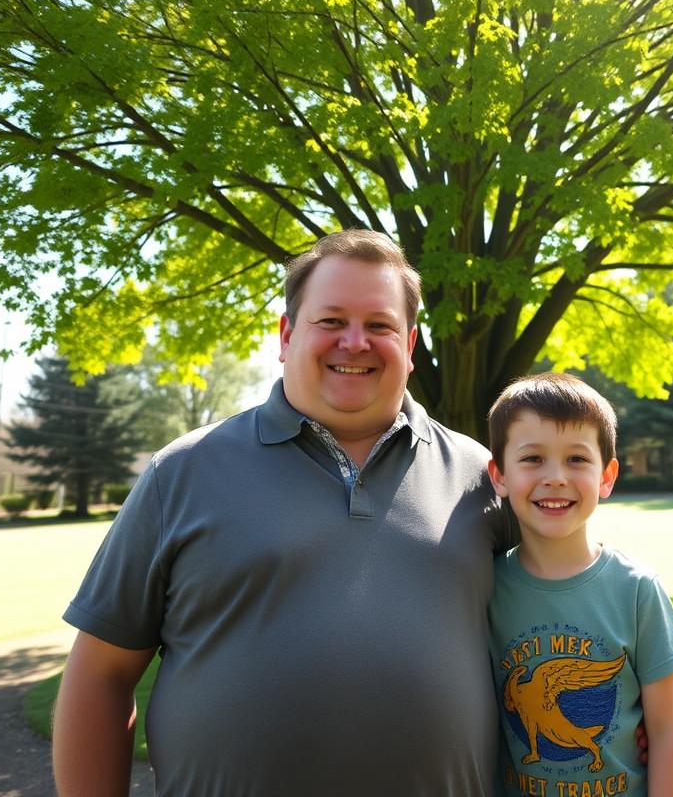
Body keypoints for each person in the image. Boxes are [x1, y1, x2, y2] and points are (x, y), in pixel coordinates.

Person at [52, 230, 516, 797]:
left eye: (380, 325)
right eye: (331, 321)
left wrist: (640, 718)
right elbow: (100, 676)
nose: (355, 342)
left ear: (411, 344)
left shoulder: (484, 477)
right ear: (286, 333)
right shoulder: (183, 473)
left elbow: (568, 619)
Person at [486, 373, 673, 797]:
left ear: (607, 476)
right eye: (532, 459)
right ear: (499, 475)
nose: (556, 477)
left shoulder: (636, 589)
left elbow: (670, 732)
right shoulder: (483, 587)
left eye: (577, 459)